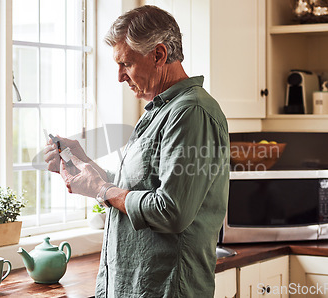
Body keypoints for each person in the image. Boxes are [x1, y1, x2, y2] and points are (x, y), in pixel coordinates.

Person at [44, 5, 229, 297]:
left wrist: (103, 190)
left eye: (126, 64)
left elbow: (171, 211)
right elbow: (139, 186)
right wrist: (82, 163)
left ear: (159, 54)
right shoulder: (158, 110)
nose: (119, 77)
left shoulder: (190, 112)